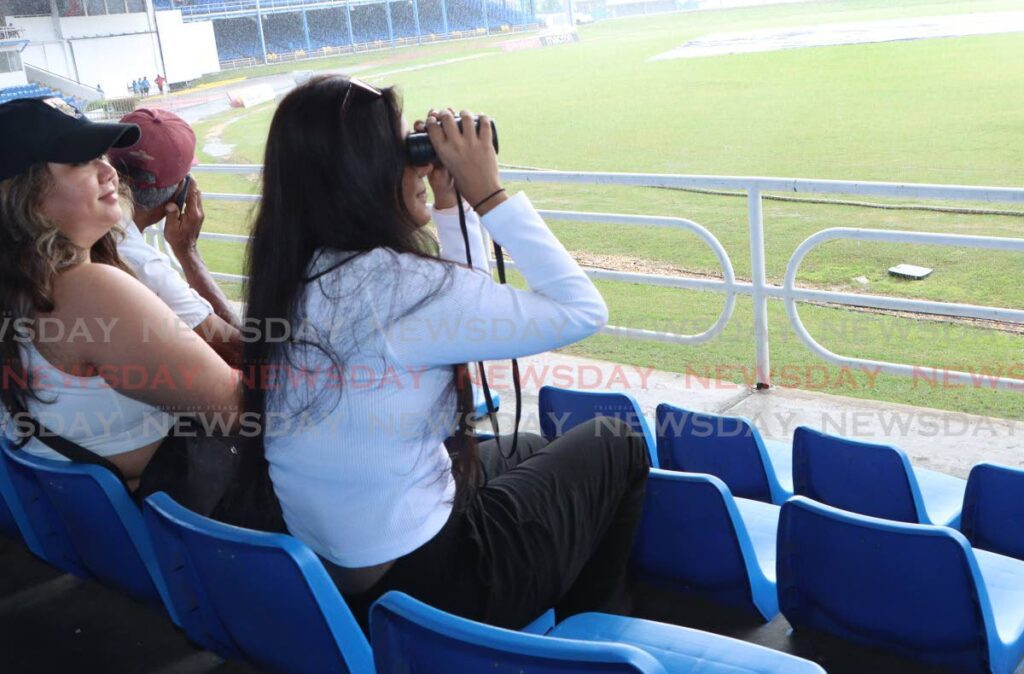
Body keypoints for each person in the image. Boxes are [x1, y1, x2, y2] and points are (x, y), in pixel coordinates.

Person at [241, 76, 650, 630]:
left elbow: (465, 315)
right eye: (404, 149)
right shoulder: (396, 284)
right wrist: (490, 196)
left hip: (341, 576)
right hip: (440, 585)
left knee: (525, 445)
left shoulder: (295, 275)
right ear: (366, 172)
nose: (418, 161)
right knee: (616, 441)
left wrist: (451, 204)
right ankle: (588, 630)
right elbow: (582, 310)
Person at [0, 98, 241, 493]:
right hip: (173, 526)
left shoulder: (28, 286)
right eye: (80, 161)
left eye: (101, 156)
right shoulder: (88, 289)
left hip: (85, 522)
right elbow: (237, 408)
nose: (108, 170)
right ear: (24, 195)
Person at [107, 108, 242, 366]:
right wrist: (187, 251)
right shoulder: (144, 267)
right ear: (182, 190)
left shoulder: (91, 227)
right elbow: (238, 351)